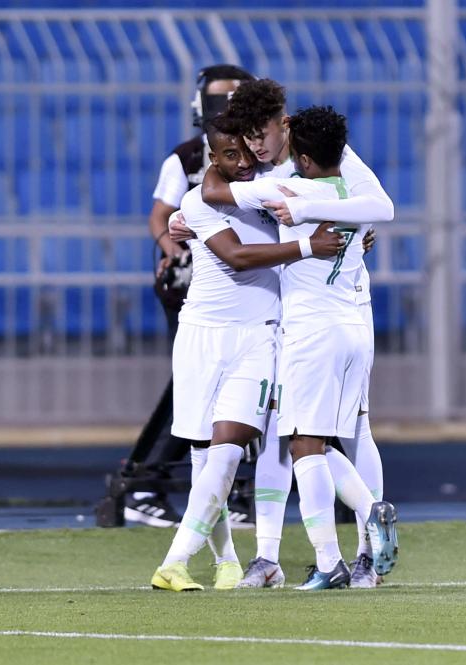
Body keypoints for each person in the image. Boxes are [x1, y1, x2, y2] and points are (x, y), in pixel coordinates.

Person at [201, 104, 399, 590]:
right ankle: (276, 556)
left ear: (284, 125)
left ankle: (353, 552)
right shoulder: (311, 176)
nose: (254, 146)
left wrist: (306, 213)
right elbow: (369, 211)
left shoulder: (293, 181)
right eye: (245, 138)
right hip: (331, 321)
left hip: (319, 323)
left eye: (260, 133)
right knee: (300, 433)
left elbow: (382, 207)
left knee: (318, 436)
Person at [149, 120, 345, 592]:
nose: (241, 162)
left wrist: (360, 235)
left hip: (259, 337)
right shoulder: (197, 202)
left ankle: (174, 561)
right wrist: (308, 246)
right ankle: (226, 562)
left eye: (246, 153)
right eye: (229, 155)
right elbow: (236, 257)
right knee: (204, 457)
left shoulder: (269, 193)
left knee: (229, 447)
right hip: (200, 337)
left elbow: (334, 204)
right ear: (212, 159)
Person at [123, 64, 256, 527]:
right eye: (221, 101)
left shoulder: (264, 156)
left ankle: (234, 492)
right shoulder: (185, 158)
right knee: (201, 381)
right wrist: (175, 250)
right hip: (202, 286)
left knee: (240, 384)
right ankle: (153, 482)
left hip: (246, 285)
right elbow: (161, 215)